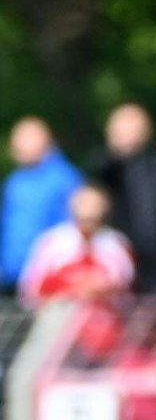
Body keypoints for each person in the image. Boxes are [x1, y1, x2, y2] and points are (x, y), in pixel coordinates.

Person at [17, 183, 137, 307]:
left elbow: (127, 290)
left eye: (95, 204)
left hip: (104, 317)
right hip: (59, 313)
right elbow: (31, 288)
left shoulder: (118, 244)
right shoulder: (51, 242)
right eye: (84, 203)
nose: (89, 209)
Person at [1, 116, 84, 293]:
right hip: (12, 274)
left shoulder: (65, 178)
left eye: (25, 138)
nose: (17, 145)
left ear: (46, 140)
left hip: (49, 277)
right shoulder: (15, 181)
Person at [96, 101, 156, 278]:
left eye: (133, 130)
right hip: (114, 261)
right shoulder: (102, 170)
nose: (127, 137)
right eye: (121, 131)